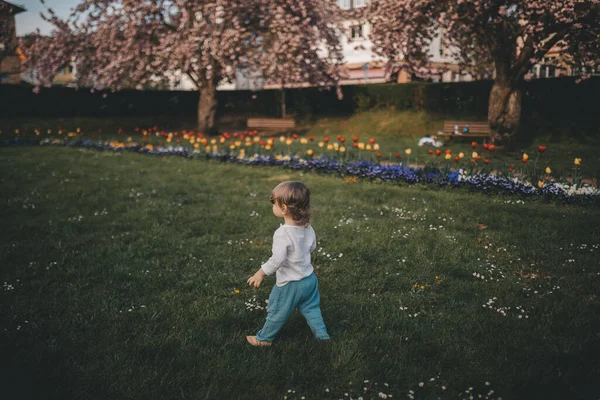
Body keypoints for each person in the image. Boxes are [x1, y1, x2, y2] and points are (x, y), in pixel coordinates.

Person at [246, 181, 331, 347]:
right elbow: (312, 246)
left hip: (289, 284)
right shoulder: (307, 227)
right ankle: (322, 336)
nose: (272, 206)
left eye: (274, 203)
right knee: (312, 309)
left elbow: (277, 260)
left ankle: (264, 339)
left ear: (284, 208)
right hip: (309, 279)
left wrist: (261, 272)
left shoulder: (282, 234)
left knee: (277, 311)